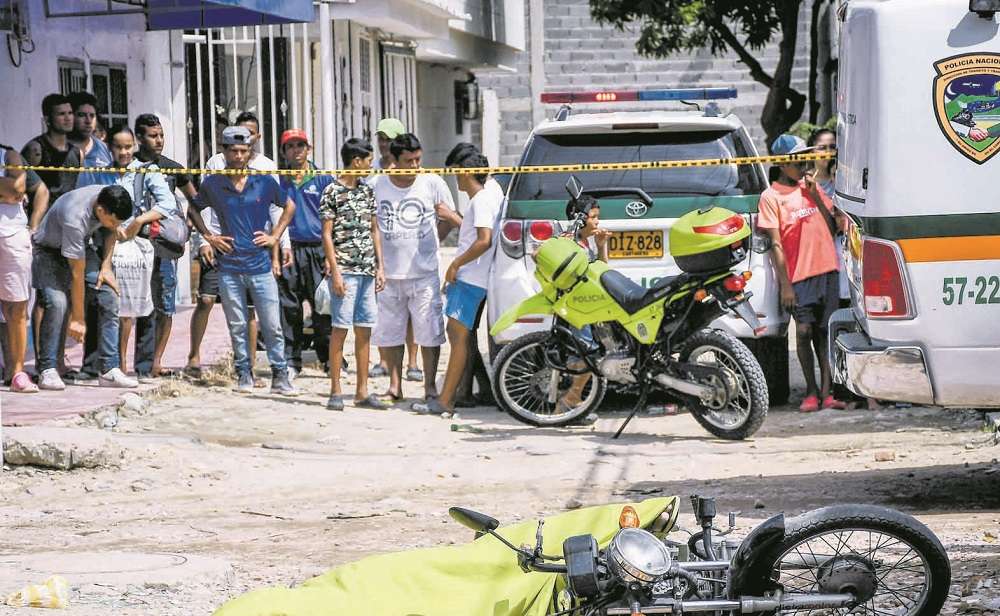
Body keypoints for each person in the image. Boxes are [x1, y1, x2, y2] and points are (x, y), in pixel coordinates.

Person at [191, 126, 297, 396]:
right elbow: (193, 208)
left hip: (260, 265)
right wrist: (208, 237)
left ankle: (280, 374)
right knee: (236, 324)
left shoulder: (263, 181)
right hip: (229, 266)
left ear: (250, 152)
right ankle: (244, 373)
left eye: (244, 151)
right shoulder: (214, 183)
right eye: (233, 150)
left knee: (271, 323)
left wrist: (275, 236)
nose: (239, 156)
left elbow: (289, 206)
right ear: (224, 151)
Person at [758, 134, 846, 413]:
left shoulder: (812, 189)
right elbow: (775, 243)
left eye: (806, 157)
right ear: (783, 164)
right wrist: (786, 285)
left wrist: (814, 194)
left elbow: (834, 227)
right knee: (805, 331)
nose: (804, 163)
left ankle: (826, 392)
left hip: (827, 269)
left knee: (824, 332)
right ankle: (810, 391)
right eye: (797, 159)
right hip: (799, 275)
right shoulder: (770, 197)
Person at [412, 148, 503, 417]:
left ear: (464, 171)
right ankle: (457, 394)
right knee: (461, 338)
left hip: (470, 279)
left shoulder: (481, 201)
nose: (456, 181)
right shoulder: (491, 194)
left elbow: (483, 240)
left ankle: (446, 400)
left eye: (456, 174)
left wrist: (455, 263)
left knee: (458, 338)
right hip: (473, 278)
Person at [371, 133, 456, 402]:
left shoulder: (432, 182)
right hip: (388, 275)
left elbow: (447, 216)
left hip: (424, 274)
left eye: (418, 159)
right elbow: (369, 225)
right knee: (390, 333)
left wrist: (433, 243)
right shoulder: (377, 184)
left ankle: (430, 387)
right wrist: (377, 264)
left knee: (430, 332)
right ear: (393, 161)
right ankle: (395, 386)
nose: (416, 166)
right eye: (409, 161)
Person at [31, 185, 135, 390]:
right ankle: (47, 369)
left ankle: (108, 369)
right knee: (57, 303)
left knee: (108, 295)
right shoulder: (75, 217)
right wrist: (78, 320)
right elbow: (77, 274)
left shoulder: (109, 197)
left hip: (80, 247)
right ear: (100, 211)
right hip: (48, 250)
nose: (116, 225)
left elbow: (112, 230)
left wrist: (106, 267)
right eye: (113, 220)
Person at [104, 125, 182, 379]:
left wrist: (139, 221)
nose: (124, 152)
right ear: (110, 147)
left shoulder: (145, 172)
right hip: (108, 243)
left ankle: (139, 364)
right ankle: (115, 365)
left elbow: (168, 203)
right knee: (113, 308)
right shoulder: (102, 173)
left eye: (128, 147)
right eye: (119, 147)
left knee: (137, 307)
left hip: (137, 247)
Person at [319, 138, 387, 411]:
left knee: (365, 330)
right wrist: (335, 271)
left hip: (367, 271)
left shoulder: (367, 191)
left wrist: (380, 266)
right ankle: (335, 389)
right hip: (345, 271)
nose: (371, 166)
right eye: (368, 161)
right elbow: (326, 234)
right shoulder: (331, 192)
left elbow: (374, 230)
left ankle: (362, 391)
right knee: (340, 330)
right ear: (356, 161)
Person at [132, 113, 197, 379]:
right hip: (135, 244)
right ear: (139, 137)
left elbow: (196, 200)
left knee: (164, 304)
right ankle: (134, 362)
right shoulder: (131, 165)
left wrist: (189, 227)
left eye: (161, 135)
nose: (158, 141)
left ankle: (155, 361)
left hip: (164, 248)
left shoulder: (173, 168)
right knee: (134, 303)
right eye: (152, 135)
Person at [277, 129, 334, 377]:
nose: (296, 150)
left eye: (301, 145)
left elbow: (336, 217)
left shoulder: (323, 179)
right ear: (284, 152)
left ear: (308, 149)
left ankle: (330, 357)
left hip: (318, 249)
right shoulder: (278, 180)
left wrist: (333, 257)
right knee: (290, 307)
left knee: (323, 306)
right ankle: (292, 360)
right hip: (290, 250)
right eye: (290, 146)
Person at [369, 117, 421, 382]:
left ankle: (412, 363)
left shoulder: (415, 173)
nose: (383, 144)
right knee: (384, 314)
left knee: (411, 315)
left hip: (412, 259)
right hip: (382, 257)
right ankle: (383, 361)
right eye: (380, 138)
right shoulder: (370, 173)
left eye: (389, 139)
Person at [554, 194, 610, 416]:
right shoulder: (569, 240)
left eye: (598, 217)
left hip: (590, 304)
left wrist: (602, 246)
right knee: (586, 353)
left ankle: (573, 401)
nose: (597, 222)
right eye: (593, 217)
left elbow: (602, 270)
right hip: (576, 307)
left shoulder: (587, 242)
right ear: (580, 218)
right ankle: (570, 400)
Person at [0, 145, 36, 393]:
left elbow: (17, 188)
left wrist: (10, 188)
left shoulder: (8, 154)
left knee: (16, 307)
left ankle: (17, 372)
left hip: (10, 236)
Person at [21, 93, 81, 201]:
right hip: (42, 214)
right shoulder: (35, 149)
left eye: (70, 113)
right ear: (47, 119)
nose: (68, 118)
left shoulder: (76, 152)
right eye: (61, 114)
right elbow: (21, 185)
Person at [67, 92, 116, 188]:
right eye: (81, 115)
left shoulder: (104, 148)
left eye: (92, 115)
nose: (88, 121)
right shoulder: (62, 149)